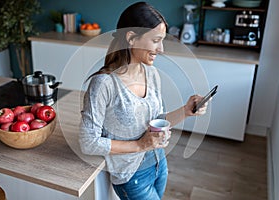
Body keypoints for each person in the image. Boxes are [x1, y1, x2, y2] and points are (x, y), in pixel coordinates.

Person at [79, 2, 207, 199]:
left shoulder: (152, 73)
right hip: (132, 175)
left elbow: (155, 121)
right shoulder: (103, 84)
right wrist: (140, 145)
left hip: (158, 162)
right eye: (156, 40)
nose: (161, 49)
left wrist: (186, 110)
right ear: (131, 38)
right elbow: (88, 142)